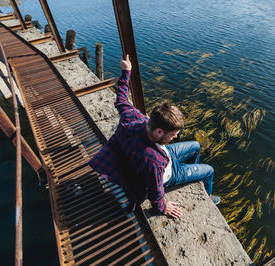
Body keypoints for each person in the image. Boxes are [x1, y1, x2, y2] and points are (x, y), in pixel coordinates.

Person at [88, 55, 220, 218]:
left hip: (165, 154)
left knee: (195, 146)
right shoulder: (153, 161)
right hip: (169, 172)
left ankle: (190, 175)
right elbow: (155, 191)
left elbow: (121, 99)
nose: (176, 136)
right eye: (173, 134)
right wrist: (163, 207)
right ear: (159, 132)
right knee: (209, 171)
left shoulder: (134, 119)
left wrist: (126, 71)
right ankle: (208, 198)